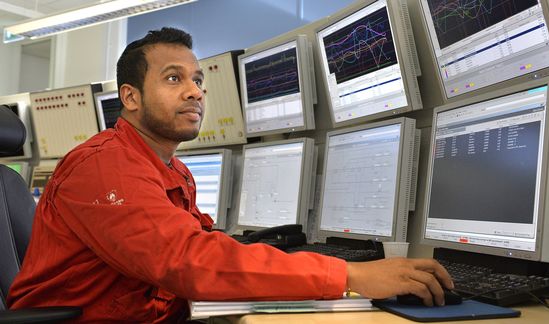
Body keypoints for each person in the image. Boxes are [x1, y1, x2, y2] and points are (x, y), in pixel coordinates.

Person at [8, 27, 453, 322]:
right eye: (172, 78)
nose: (194, 91)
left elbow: (201, 248)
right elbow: (186, 262)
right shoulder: (104, 165)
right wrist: (349, 275)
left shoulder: (169, 168)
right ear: (130, 97)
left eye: (198, 79)